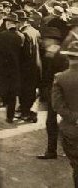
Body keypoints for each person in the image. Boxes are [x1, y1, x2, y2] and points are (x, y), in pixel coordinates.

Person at [37, 26, 69, 160]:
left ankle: (52, 151)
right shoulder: (61, 53)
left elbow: (48, 75)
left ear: (52, 40)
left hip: (54, 91)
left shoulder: (52, 54)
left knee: (51, 121)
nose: (43, 42)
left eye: (45, 39)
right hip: (58, 91)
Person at [52, 40, 78, 186]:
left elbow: (57, 106)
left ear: (68, 58)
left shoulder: (60, 78)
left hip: (71, 129)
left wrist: (75, 118)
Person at [0, 12, 22, 122]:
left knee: (1, 89)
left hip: (2, 68)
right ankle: (10, 116)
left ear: (8, 23)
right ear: (16, 24)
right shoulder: (21, 36)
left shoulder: (1, 35)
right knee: (12, 94)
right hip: (15, 68)